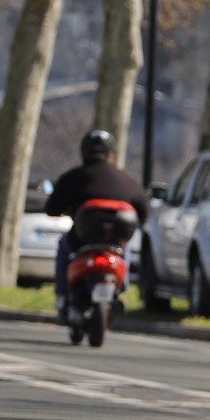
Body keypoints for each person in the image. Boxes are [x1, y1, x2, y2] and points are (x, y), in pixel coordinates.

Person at [46, 130, 150, 321]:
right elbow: (144, 209)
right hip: (117, 241)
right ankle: (122, 286)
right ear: (112, 154)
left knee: (63, 246)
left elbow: (52, 207)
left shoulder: (73, 178)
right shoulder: (127, 180)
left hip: (81, 240)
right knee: (122, 250)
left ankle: (62, 294)